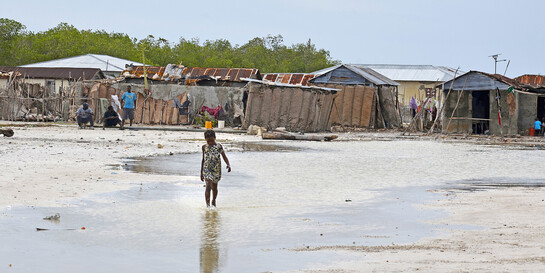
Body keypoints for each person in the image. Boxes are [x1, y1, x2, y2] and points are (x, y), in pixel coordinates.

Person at [200, 130, 231, 208]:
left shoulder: (218, 146)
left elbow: (224, 156)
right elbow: (203, 160)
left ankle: (214, 200)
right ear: (205, 139)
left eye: (212, 141)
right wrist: (201, 173)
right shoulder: (204, 147)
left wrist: (228, 164)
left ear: (215, 138)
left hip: (216, 169)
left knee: (214, 187)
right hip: (207, 169)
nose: (210, 143)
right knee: (208, 186)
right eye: (208, 141)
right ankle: (208, 205)